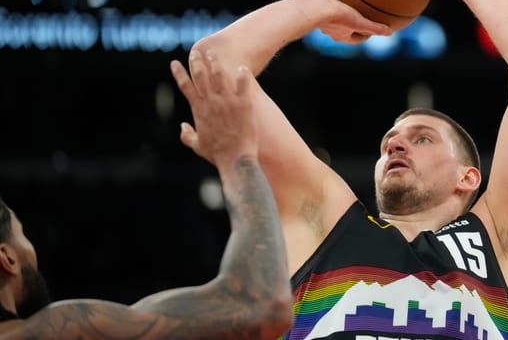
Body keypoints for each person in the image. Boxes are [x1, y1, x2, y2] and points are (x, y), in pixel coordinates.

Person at [188, 0, 508, 338]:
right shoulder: (323, 221)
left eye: (422, 138)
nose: (395, 146)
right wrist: (321, 4)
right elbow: (214, 62)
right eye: (390, 141)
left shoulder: (503, 240)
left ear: (469, 177)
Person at [0, 55, 294, 340]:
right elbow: (262, 307)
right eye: (22, 235)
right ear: (7, 258)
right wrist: (236, 156)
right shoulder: (56, 329)